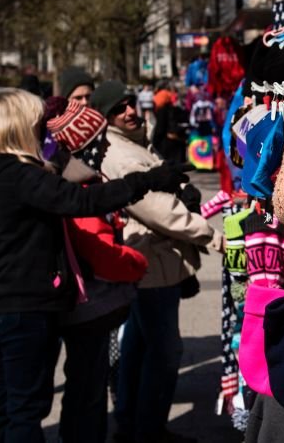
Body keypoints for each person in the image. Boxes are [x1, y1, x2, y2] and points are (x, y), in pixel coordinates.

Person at [0, 89, 189, 443]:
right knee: (24, 408)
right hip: (21, 307)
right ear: (20, 128)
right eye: (37, 126)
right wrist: (147, 181)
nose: (42, 134)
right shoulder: (22, 176)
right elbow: (81, 201)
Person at [90, 80, 222, 443]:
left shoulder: (130, 143)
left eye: (130, 103)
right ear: (105, 117)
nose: (129, 111)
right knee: (165, 351)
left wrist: (181, 188)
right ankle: (148, 430)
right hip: (151, 264)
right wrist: (215, 237)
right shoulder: (120, 154)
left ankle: (131, 424)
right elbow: (158, 211)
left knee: (138, 345)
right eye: (119, 108)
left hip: (148, 261)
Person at [45, 98, 150, 443]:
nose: (106, 145)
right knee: (87, 391)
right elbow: (99, 251)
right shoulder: (81, 188)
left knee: (83, 386)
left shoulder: (74, 182)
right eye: (100, 139)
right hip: (90, 307)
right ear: (83, 144)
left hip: (87, 304)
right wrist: (137, 262)